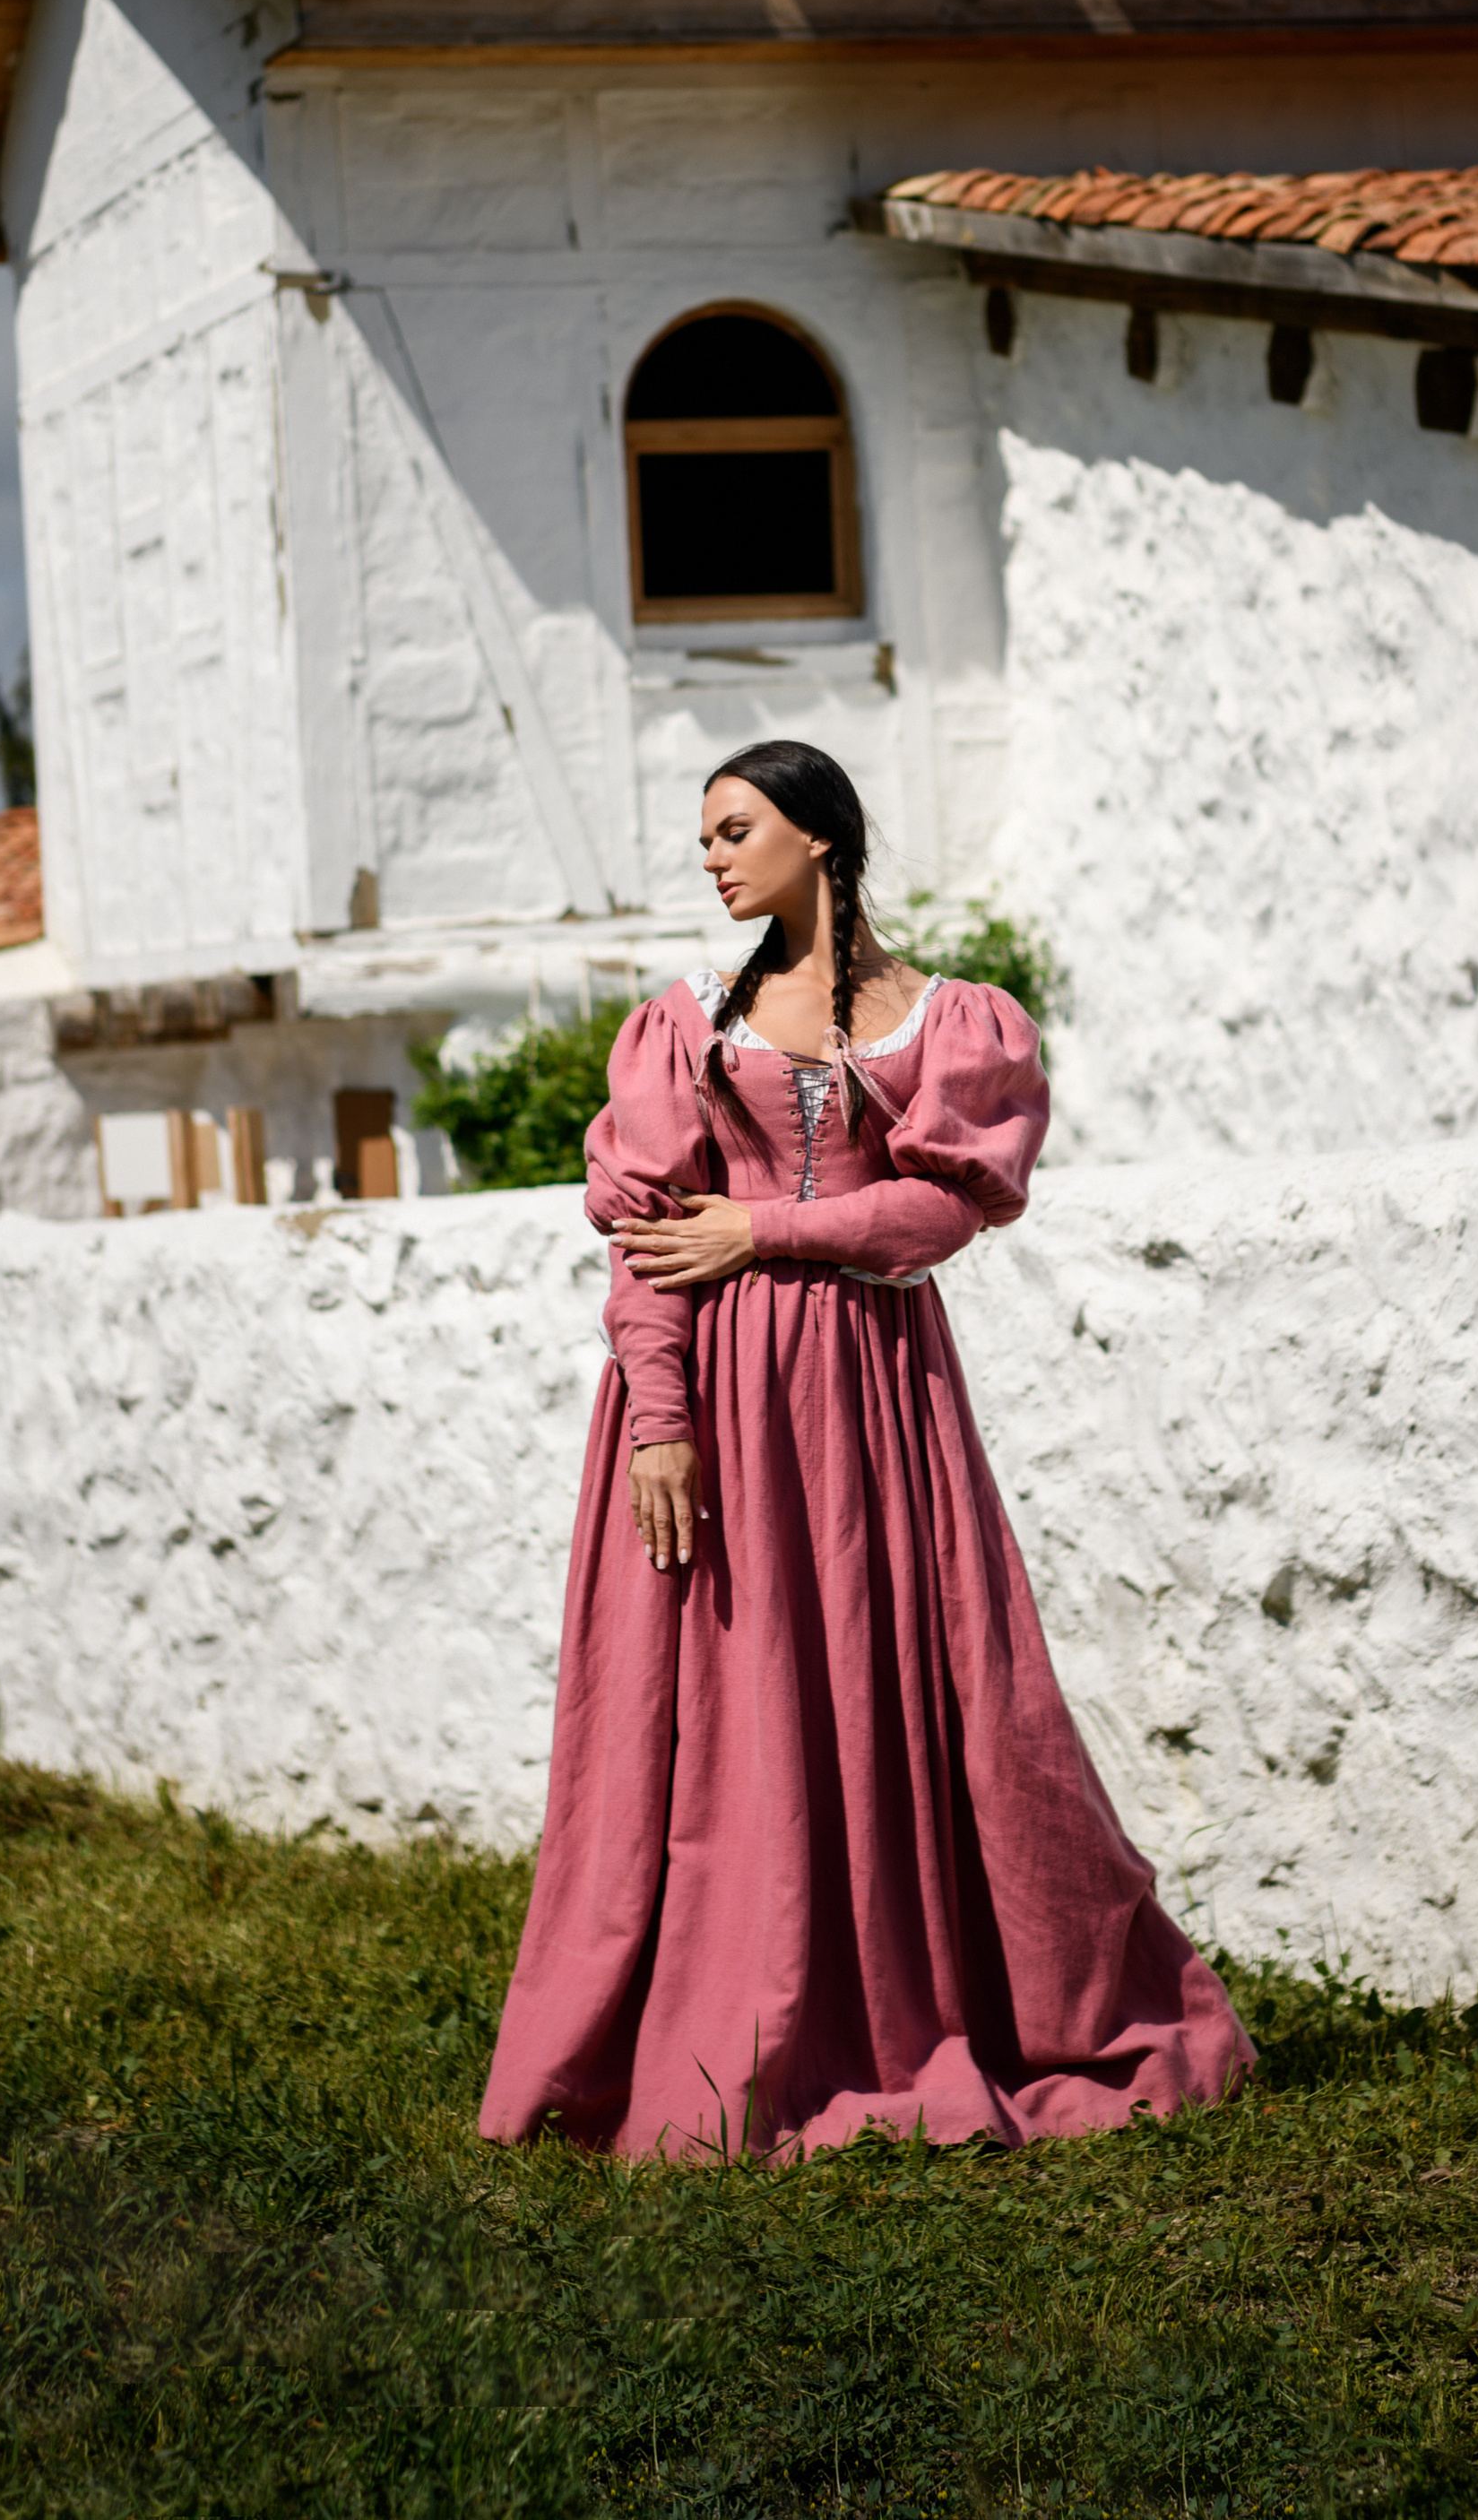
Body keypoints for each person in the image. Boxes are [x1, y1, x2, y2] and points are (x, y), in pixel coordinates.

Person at [479, 739, 1252, 2158]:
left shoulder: (949, 1021)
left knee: (945, 1691)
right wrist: (660, 1421)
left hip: (881, 1403)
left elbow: (942, 1216)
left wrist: (762, 1226)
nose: (710, 857)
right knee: (730, 1707)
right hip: (716, 1401)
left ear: (818, 840)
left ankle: (953, 2007)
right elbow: (648, 1240)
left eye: (735, 829)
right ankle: (727, 2016)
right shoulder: (684, 1023)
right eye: (704, 836)